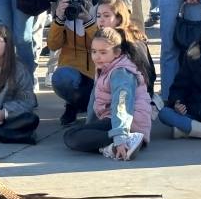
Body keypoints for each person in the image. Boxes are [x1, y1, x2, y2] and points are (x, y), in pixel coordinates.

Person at [63, 27, 151, 161]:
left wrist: (120, 136)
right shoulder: (106, 67)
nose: (97, 57)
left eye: (103, 52)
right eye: (94, 52)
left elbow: (122, 105)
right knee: (74, 133)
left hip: (129, 124)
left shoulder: (121, 72)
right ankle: (109, 148)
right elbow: (95, 100)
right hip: (114, 120)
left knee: (71, 138)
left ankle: (125, 141)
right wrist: (90, 126)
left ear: (117, 53)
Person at [47, 0, 96, 125]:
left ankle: (88, 105)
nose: (73, 3)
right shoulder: (64, 17)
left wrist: (88, 21)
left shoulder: (98, 12)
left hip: (96, 75)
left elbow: (103, 44)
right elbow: (53, 45)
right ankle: (72, 104)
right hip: (72, 72)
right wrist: (59, 19)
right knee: (60, 78)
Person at [96, 0, 156, 96]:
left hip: (134, 93)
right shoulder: (103, 37)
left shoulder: (131, 41)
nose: (101, 20)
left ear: (119, 18)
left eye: (106, 16)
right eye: (98, 16)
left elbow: (148, 74)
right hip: (108, 88)